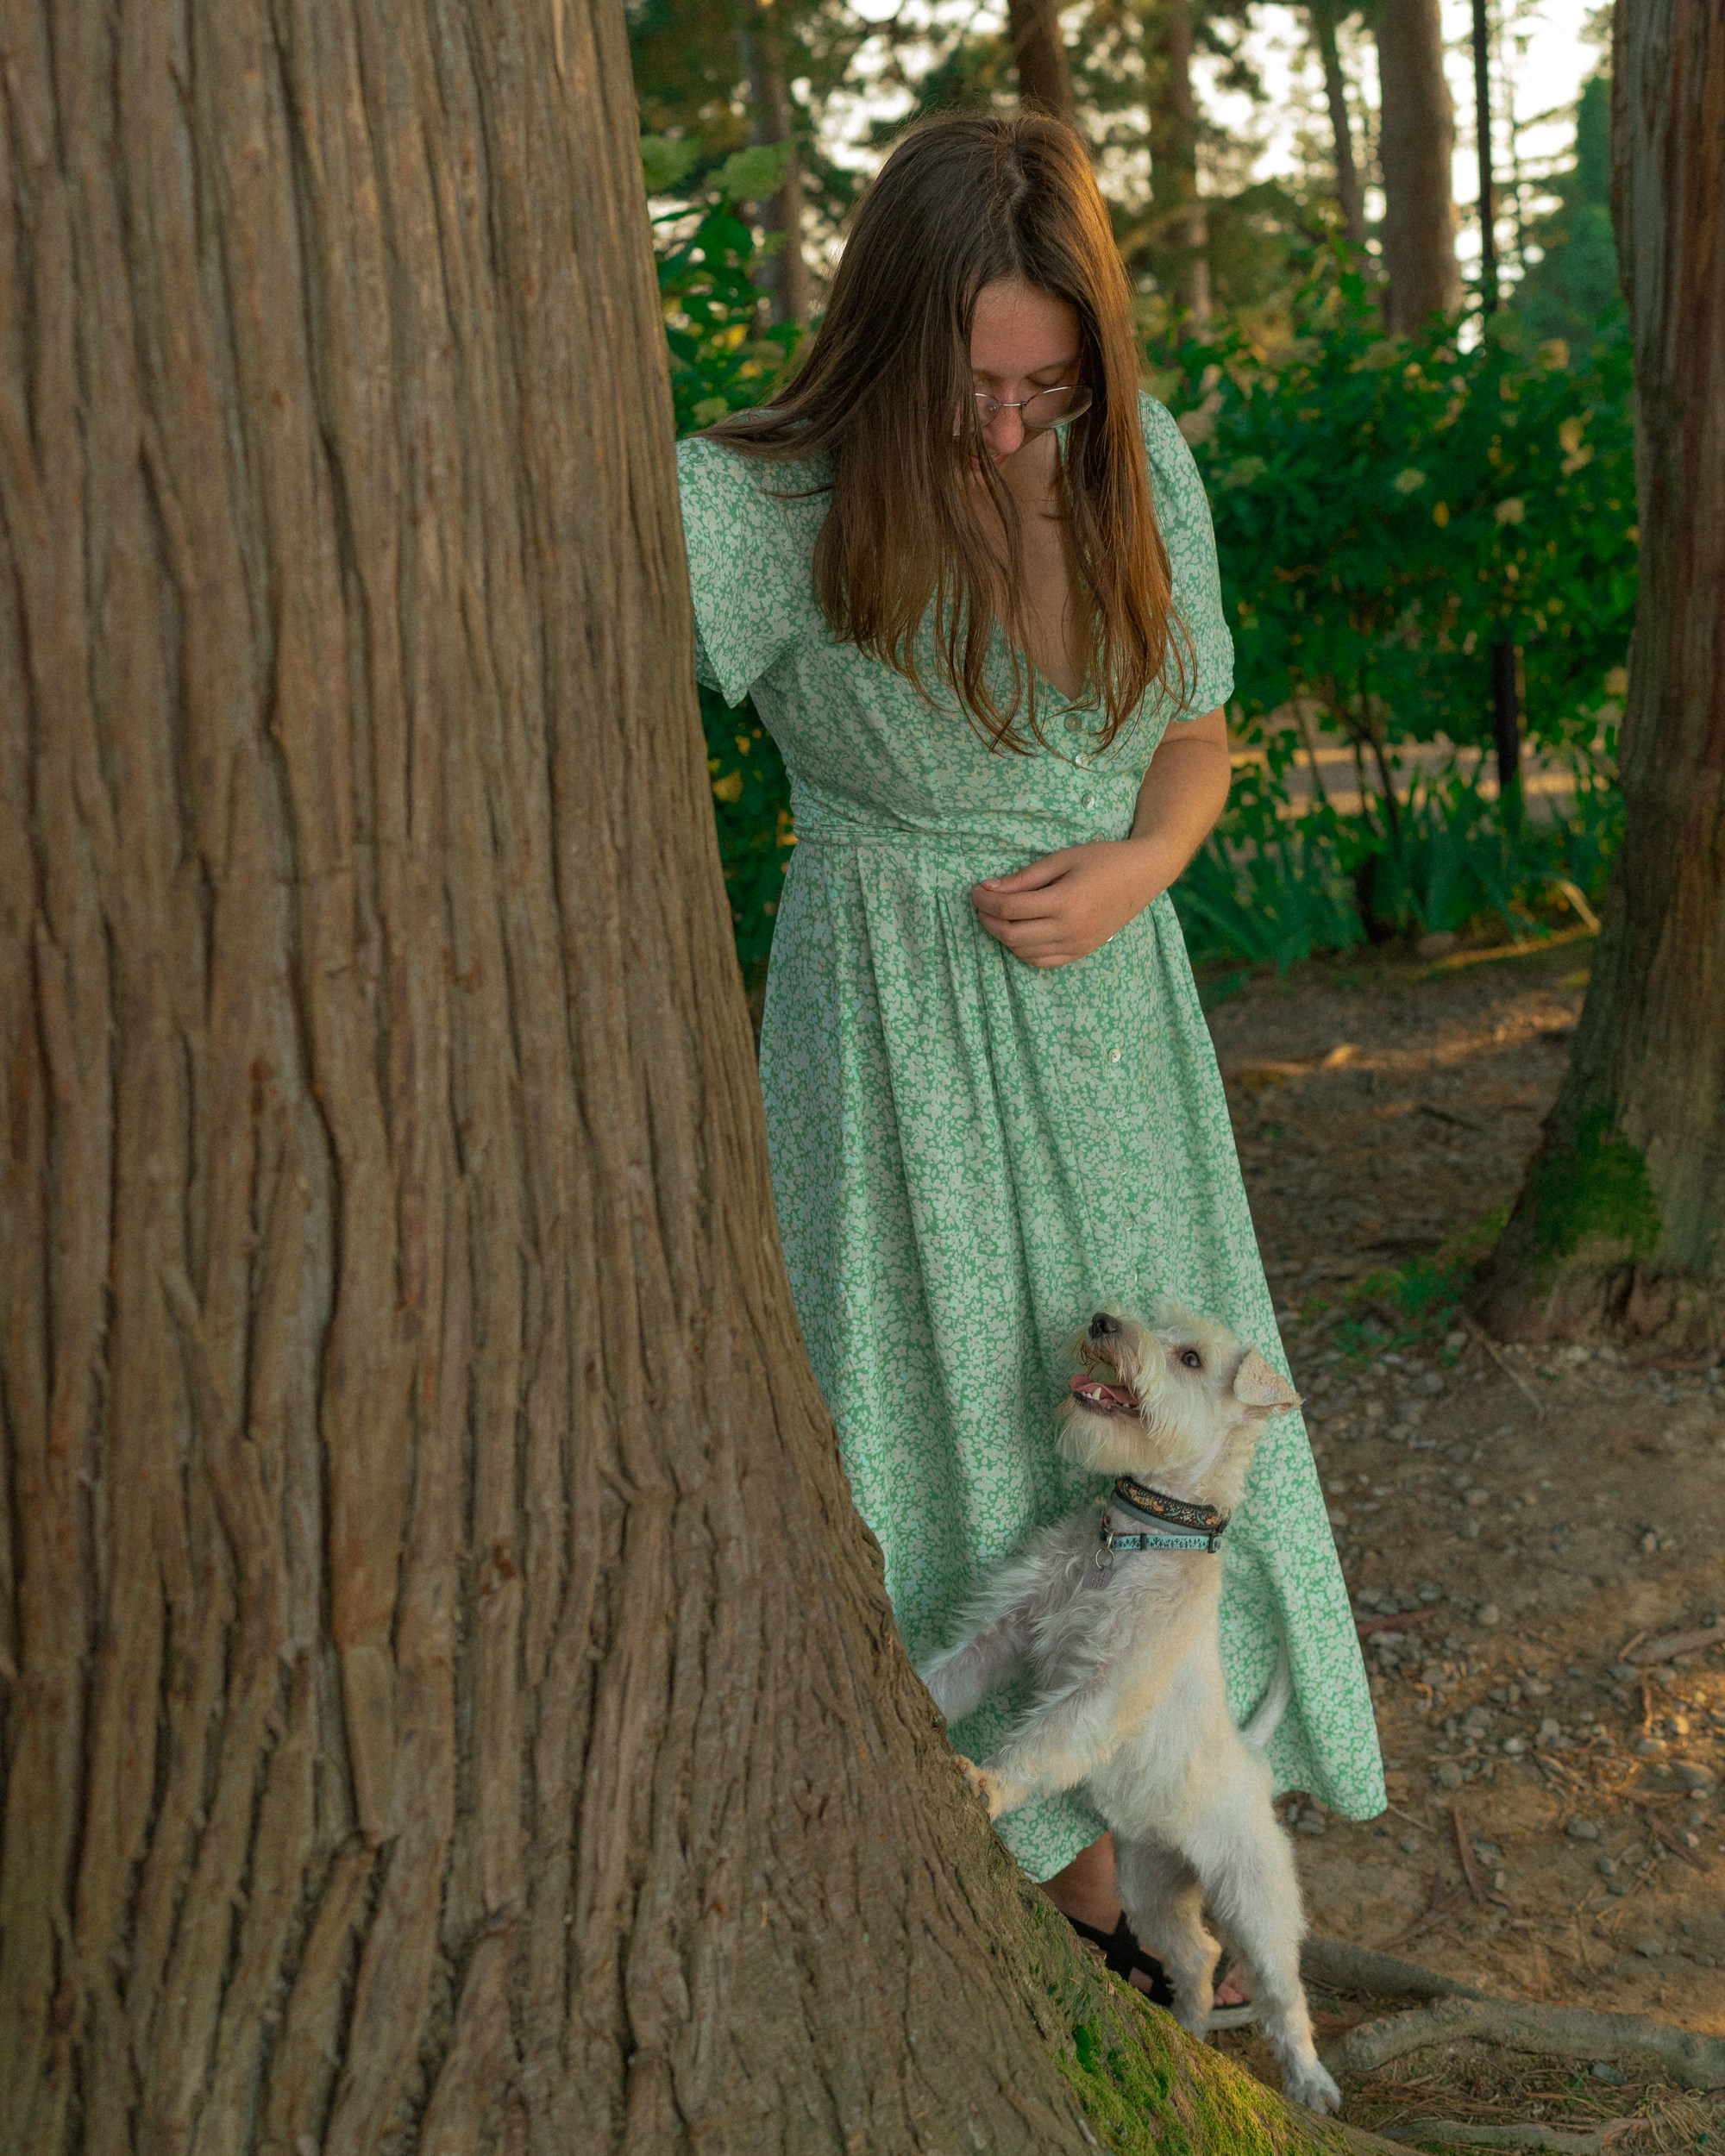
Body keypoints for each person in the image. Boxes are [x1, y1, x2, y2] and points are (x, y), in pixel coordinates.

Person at [674, 110, 1382, 1996]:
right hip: (897, 1048)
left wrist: (1148, 859)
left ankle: (1164, 1851)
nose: (1006, 428)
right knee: (965, 1426)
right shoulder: (756, 505)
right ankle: (1062, 1888)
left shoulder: (1134, 459)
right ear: (890, 336)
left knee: (1155, 1432)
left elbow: (1199, 726)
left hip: (1120, 1041)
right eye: (970, 385)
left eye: (1045, 384)